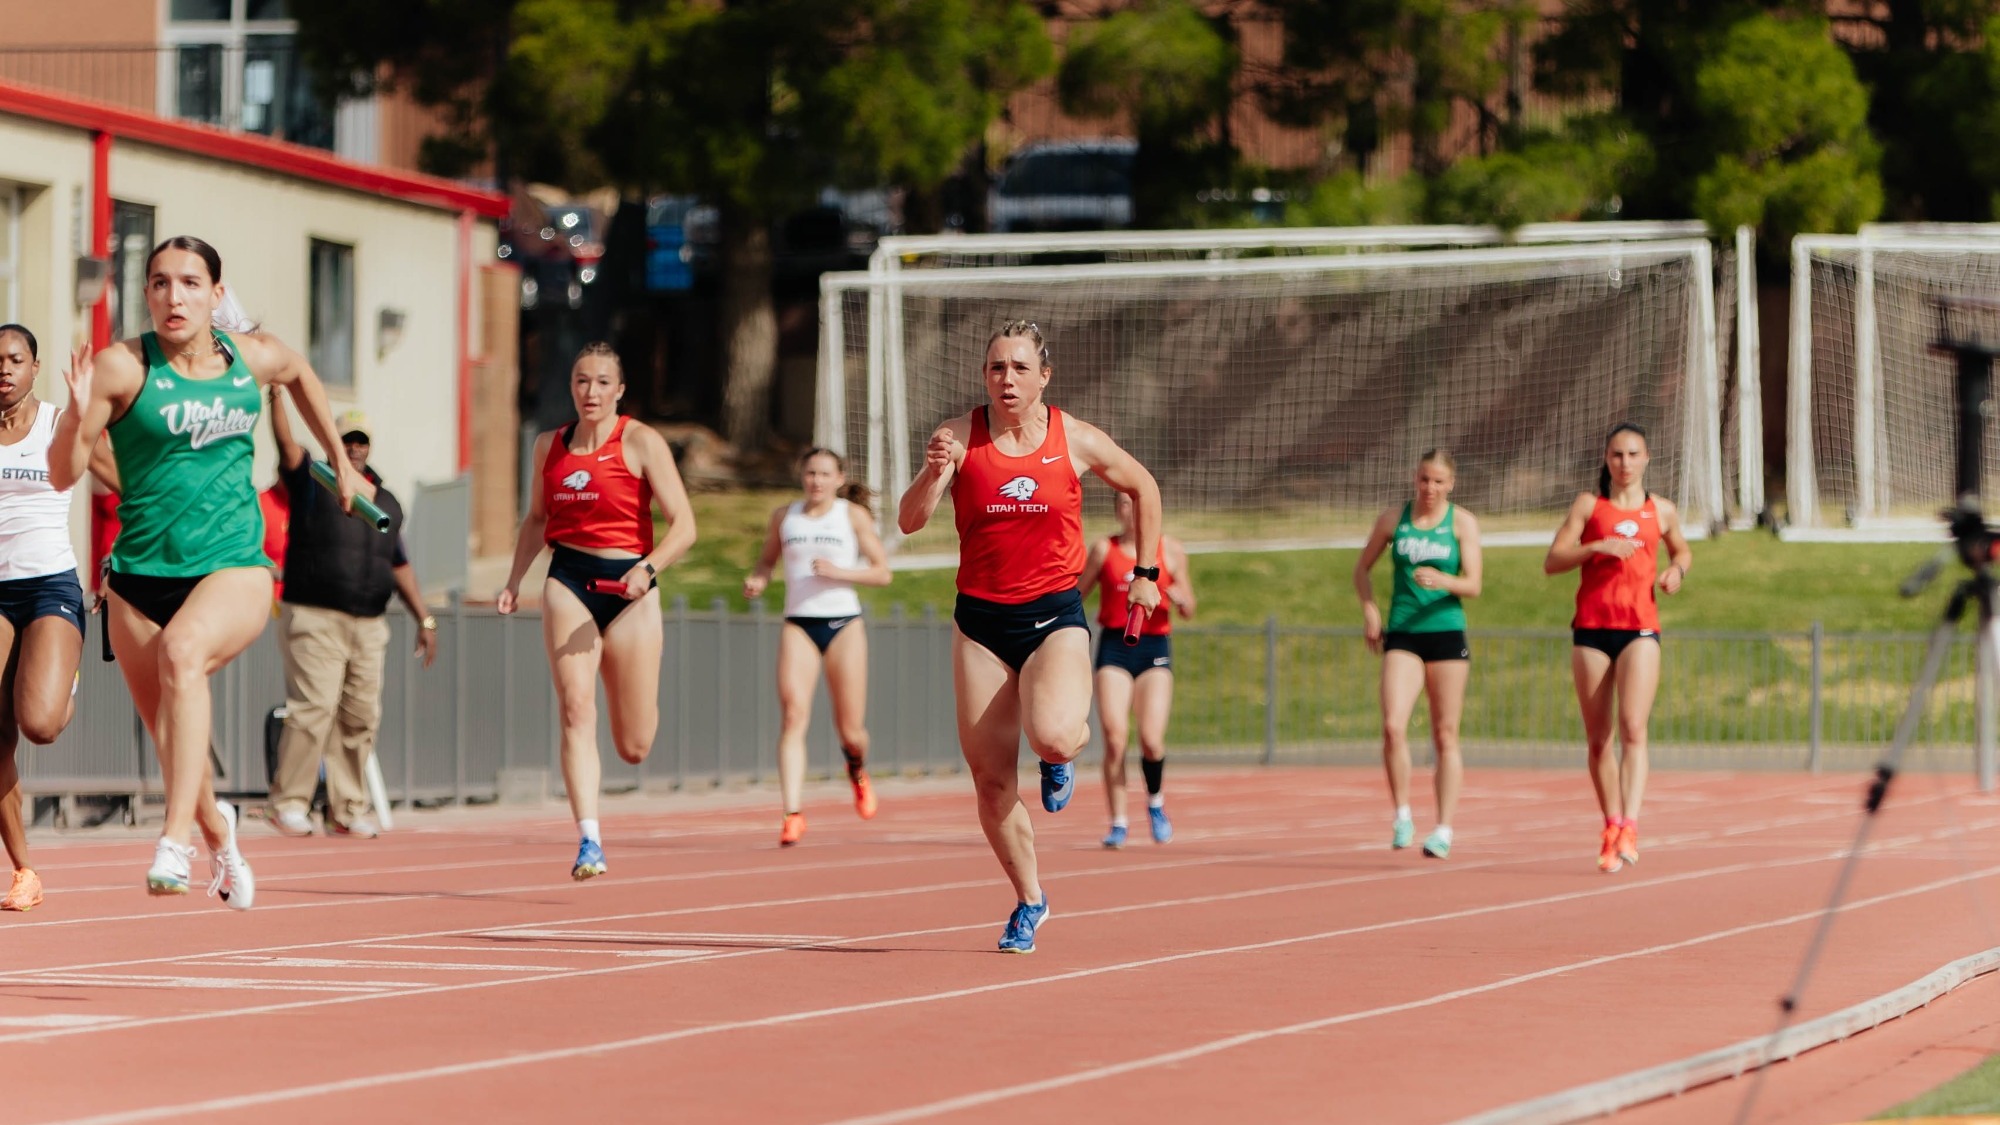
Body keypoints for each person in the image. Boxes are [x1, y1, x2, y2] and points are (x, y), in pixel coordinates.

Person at [49, 235, 365, 906]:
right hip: (139, 577)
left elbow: (299, 372)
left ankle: (174, 843)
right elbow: (63, 473)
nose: (175, 296)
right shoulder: (122, 366)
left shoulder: (250, 357)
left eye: (191, 283)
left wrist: (339, 459)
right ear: (147, 292)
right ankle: (220, 837)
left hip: (233, 564)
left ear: (216, 295)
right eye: (161, 283)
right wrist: (75, 415)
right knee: (172, 738)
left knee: (184, 652)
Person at [898, 319, 1162, 954]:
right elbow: (909, 522)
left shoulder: (1076, 439)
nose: (1006, 379)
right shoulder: (959, 437)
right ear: (984, 377)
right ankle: (1030, 900)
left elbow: (1144, 486)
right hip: (980, 625)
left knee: (1054, 734)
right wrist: (933, 474)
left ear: (1044, 376)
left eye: (1019, 368)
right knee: (990, 783)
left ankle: (1058, 756)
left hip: (1052, 616)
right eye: (996, 368)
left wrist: (1146, 574)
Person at [498, 342, 695, 880]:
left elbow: (684, 526)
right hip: (569, 580)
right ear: (571, 386)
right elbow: (537, 520)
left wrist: (647, 569)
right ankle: (589, 840)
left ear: (620, 390)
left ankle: (632, 700)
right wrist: (515, 580)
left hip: (631, 587)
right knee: (575, 709)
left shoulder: (641, 441)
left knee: (634, 744)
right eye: (582, 381)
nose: (591, 391)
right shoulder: (549, 445)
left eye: (603, 382)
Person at [267, 397, 439, 839]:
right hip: (315, 615)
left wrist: (425, 619)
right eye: (347, 439)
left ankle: (345, 809)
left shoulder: (386, 501)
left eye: (361, 441)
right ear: (333, 442)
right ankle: (290, 803)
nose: (355, 447)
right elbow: (286, 446)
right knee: (314, 709)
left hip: (369, 623)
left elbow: (399, 562)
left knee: (360, 716)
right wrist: (277, 397)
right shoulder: (313, 480)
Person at [0, 324, 115, 911]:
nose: (4, 369)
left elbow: (129, 487)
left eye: (15, 359)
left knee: (40, 724)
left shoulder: (59, 423)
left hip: (49, 585)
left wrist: (121, 557)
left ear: (34, 367)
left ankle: (63, 674)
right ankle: (24, 870)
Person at [1544, 422, 1692, 873]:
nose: (1624, 463)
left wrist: (1676, 572)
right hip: (1592, 629)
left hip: (1639, 629)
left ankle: (1630, 823)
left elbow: (1682, 552)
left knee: (1633, 727)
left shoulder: (1661, 510)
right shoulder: (1589, 506)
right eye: (1616, 455)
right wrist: (1596, 547)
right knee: (1598, 739)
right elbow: (1553, 561)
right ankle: (1610, 823)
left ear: (1646, 458)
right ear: (1606, 459)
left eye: (1632, 454)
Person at [743, 448, 892, 846]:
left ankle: (856, 767)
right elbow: (766, 562)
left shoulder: (851, 515)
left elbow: (882, 572)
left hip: (844, 624)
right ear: (801, 475)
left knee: (851, 729)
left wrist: (839, 571)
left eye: (825, 474)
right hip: (799, 624)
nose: (816, 481)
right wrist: (758, 580)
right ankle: (792, 813)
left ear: (839, 478)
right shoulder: (785, 516)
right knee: (793, 715)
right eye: (810, 473)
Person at [1353, 450, 1483, 860]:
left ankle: (1443, 828)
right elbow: (1361, 569)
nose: (1430, 488)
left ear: (1451, 484)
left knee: (1445, 733)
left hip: (1445, 633)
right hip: (1403, 633)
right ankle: (1403, 814)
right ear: (1415, 478)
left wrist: (1443, 579)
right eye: (1425, 479)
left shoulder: (1461, 523)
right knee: (1393, 725)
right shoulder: (1394, 520)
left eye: (1439, 481)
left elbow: (1474, 584)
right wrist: (1371, 610)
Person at [1080, 491, 1194, 849]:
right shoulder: (1104, 549)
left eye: (1136, 504)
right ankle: (1118, 821)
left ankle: (1155, 803)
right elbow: (1077, 593)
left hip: (1153, 647)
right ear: (1117, 510)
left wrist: (1178, 597)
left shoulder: (1170, 550)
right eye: (1124, 504)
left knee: (1151, 740)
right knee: (1115, 738)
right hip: (1115, 646)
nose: (1130, 511)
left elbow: (1190, 606)